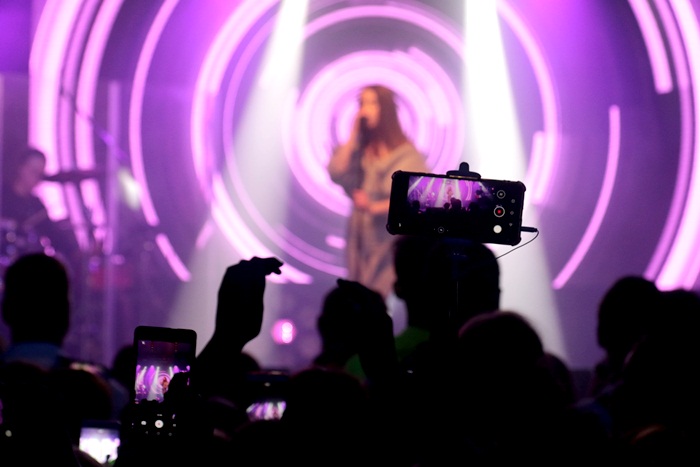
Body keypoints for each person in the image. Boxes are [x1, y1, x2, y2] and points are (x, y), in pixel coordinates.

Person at [327, 85, 428, 299]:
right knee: (357, 291)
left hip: (389, 240)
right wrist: (354, 133)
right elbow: (336, 171)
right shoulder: (360, 152)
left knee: (380, 293)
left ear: (386, 108)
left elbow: (417, 198)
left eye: (372, 103)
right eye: (362, 103)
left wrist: (374, 207)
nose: (366, 110)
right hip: (360, 236)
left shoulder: (406, 155)